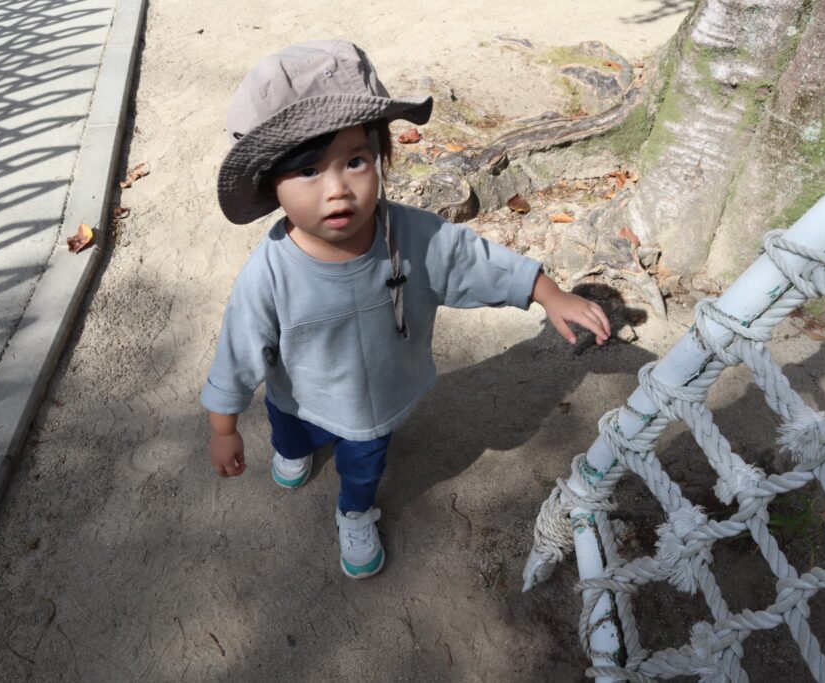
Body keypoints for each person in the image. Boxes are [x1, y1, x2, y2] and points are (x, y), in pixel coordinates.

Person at [203, 40, 610, 579]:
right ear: (271, 185)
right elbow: (239, 350)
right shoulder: (271, 271)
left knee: (363, 467)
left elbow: (470, 259)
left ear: (381, 157)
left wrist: (545, 290)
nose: (337, 190)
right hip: (298, 396)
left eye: (355, 161)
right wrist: (224, 427)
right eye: (308, 171)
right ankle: (295, 451)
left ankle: (354, 512)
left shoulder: (412, 236)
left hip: (377, 403)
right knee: (292, 434)